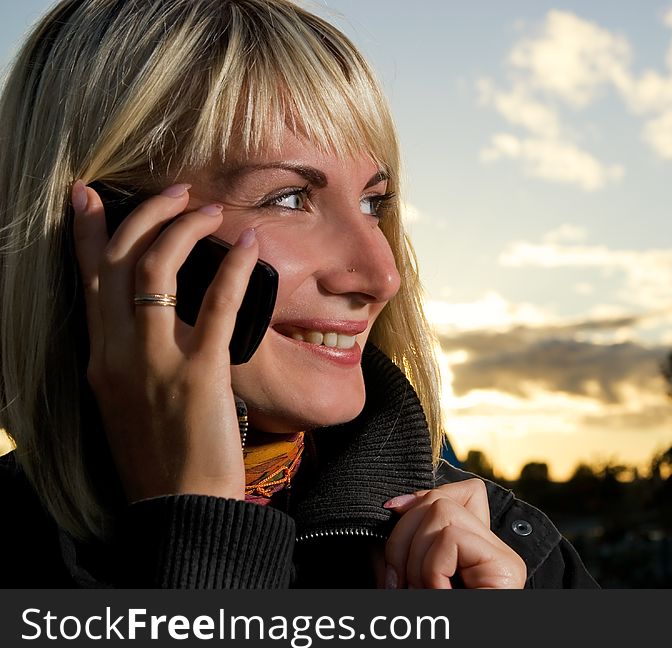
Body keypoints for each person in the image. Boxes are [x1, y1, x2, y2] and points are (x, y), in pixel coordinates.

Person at [0, 0, 598, 589]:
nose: (381, 275)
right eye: (287, 198)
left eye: (372, 202)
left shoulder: (503, 560)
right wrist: (201, 533)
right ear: (111, 233)